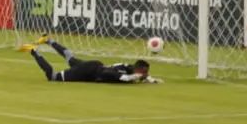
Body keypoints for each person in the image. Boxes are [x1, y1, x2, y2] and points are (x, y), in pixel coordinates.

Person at [19, 36, 163, 84]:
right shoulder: (120, 72)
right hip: (90, 71)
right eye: (144, 73)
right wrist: (137, 76)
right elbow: (123, 78)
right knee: (53, 77)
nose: (144, 75)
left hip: (94, 66)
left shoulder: (130, 66)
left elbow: (137, 73)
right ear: (138, 70)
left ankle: (48, 40)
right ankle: (33, 50)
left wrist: (150, 79)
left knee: (70, 58)